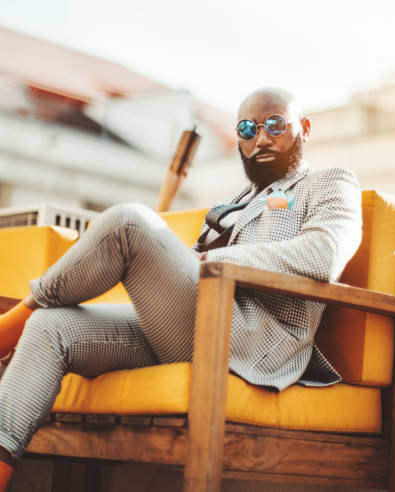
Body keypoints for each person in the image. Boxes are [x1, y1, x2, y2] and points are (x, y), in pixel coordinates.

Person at [0, 87, 362, 490]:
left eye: (275, 125)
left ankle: (9, 325)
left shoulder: (330, 183)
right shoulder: (229, 204)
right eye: (247, 129)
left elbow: (325, 254)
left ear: (304, 129)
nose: (261, 138)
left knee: (128, 223)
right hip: (190, 323)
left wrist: (215, 262)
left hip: (253, 338)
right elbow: (185, 276)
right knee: (53, 329)